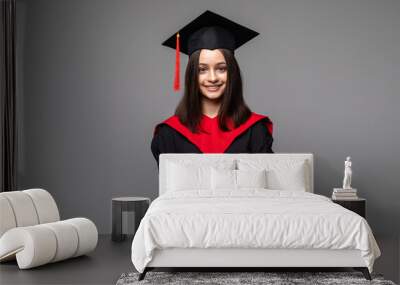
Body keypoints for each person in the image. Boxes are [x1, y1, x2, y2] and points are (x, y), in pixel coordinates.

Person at [151, 10, 273, 166]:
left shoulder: (255, 130)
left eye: (221, 68)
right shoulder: (168, 133)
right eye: (202, 69)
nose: (213, 78)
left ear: (232, 73)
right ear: (191, 75)